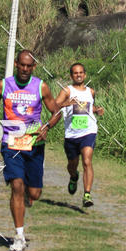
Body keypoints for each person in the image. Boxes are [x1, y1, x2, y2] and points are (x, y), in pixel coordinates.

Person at [0, 50, 63, 251]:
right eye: (22, 65)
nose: (25, 69)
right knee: (17, 186)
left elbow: (57, 111)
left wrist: (46, 127)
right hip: (11, 143)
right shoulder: (3, 85)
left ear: (33, 67)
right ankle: (19, 236)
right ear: (16, 65)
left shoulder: (41, 86)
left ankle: (28, 195)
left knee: (34, 193)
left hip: (34, 145)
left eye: (29, 66)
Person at [55, 63, 104, 208]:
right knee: (72, 165)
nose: (78, 75)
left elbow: (88, 107)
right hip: (71, 134)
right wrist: (66, 103)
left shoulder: (91, 91)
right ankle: (73, 176)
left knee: (87, 161)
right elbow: (54, 105)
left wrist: (97, 110)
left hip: (88, 131)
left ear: (85, 75)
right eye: (75, 73)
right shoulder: (67, 91)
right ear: (71, 76)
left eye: (81, 72)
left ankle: (87, 195)